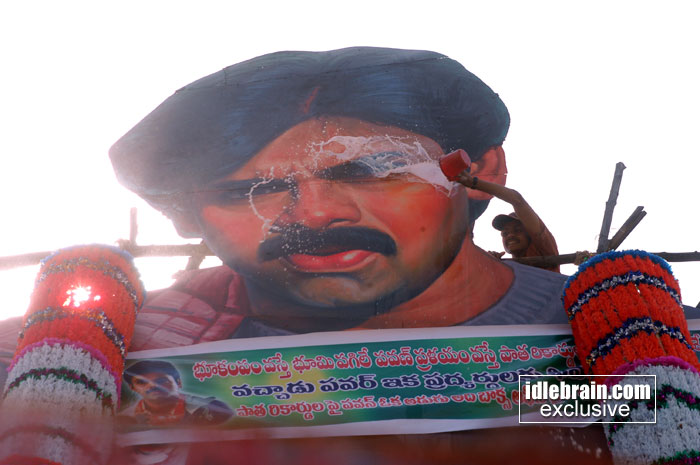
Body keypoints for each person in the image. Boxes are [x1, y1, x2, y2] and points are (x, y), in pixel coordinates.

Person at [104, 47, 572, 349]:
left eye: (373, 171)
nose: (315, 214)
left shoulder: (601, 328)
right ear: (187, 214)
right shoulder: (113, 351)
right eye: (251, 190)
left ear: (480, 170)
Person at [455, 170, 560, 272]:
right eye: (505, 234)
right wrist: (491, 264)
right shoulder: (506, 270)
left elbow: (517, 200)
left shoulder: (543, 247)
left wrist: (473, 183)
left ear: (530, 234)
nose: (510, 235)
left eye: (517, 230)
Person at [120, 360, 233, 427]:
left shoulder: (212, 409)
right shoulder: (125, 418)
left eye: (161, 381)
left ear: (178, 382)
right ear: (132, 388)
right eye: (141, 382)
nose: (152, 386)